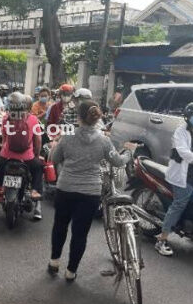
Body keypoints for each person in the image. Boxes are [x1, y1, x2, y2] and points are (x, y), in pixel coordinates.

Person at [48, 100, 136, 281]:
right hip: (90, 194)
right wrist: (128, 152)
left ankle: (54, 262)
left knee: (60, 226)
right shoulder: (104, 141)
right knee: (80, 234)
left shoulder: (68, 136)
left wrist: (55, 145)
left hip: (66, 189)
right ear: (96, 119)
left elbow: (54, 159)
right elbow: (118, 162)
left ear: (78, 117)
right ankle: (71, 272)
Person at [155, 101, 193, 257]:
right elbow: (183, 151)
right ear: (187, 117)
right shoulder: (180, 131)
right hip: (183, 175)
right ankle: (162, 239)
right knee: (179, 204)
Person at [0, 92, 44, 221]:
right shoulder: (32, 119)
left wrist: (4, 150)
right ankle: (35, 191)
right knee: (38, 168)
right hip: (27, 158)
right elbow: (38, 141)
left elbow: (4, 139)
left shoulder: (6, 118)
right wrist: (36, 155)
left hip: (7, 156)